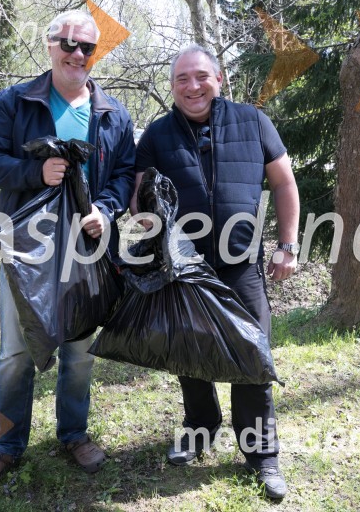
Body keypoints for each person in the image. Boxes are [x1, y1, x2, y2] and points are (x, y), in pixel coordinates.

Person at [0, 10, 135, 489]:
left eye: (87, 47)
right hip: (28, 247)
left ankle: (73, 434)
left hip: (87, 247)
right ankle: (7, 446)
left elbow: (125, 173)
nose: (77, 54)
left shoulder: (113, 112)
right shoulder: (14, 102)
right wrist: (34, 173)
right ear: (49, 45)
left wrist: (106, 209)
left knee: (79, 350)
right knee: (16, 352)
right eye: (67, 43)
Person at [131, 43, 300, 500]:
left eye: (201, 76)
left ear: (218, 79)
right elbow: (138, 198)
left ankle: (262, 455)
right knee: (190, 353)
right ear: (172, 86)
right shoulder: (157, 135)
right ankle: (199, 430)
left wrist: (288, 245)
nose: (192, 86)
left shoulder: (253, 121)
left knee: (253, 356)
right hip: (185, 269)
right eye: (182, 79)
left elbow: (284, 182)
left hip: (241, 264)